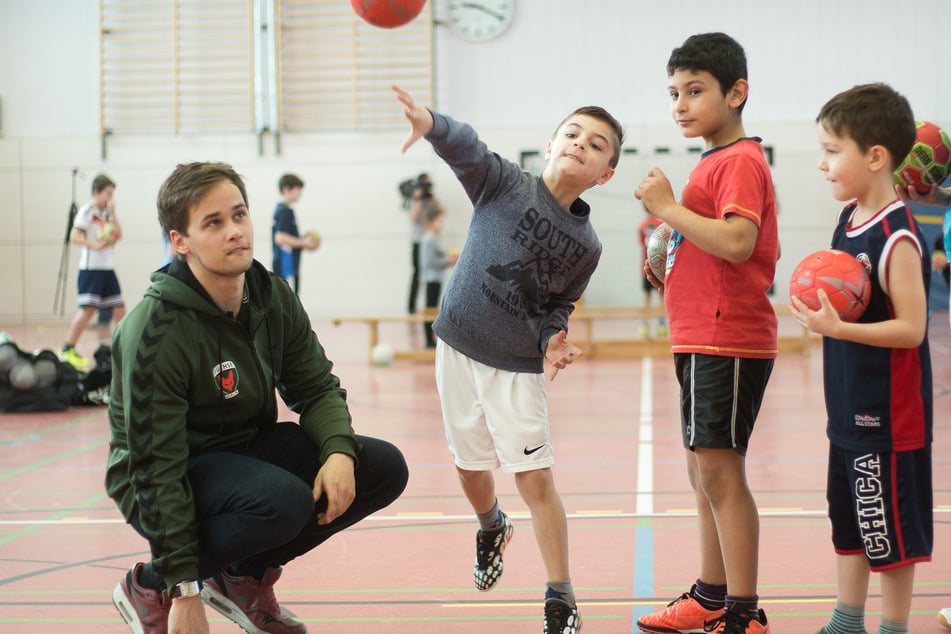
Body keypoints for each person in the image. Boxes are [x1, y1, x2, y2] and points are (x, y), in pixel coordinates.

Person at [106, 161, 409, 634]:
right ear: (179, 241)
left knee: (381, 467)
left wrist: (337, 450)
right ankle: (150, 585)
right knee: (283, 502)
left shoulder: (271, 296)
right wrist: (184, 588)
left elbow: (315, 386)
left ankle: (240, 577)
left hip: (242, 449)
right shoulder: (153, 331)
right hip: (162, 475)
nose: (234, 232)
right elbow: (156, 465)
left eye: (239, 215)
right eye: (214, 222)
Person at [393, 83, 623, 634]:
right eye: (571, 134)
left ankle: (560, 596)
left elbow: (558, 302)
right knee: (470, 467)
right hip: (456, 346)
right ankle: (491, 525)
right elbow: (466, 148)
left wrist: (554, 337)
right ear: (550, 144)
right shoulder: (503, 184)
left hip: (515, 369)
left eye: (595, 145)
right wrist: (431, 123)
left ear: (605, 174)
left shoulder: (587, 245)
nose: (579, 145)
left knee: (535, 479)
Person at [634, 33, 778, 634]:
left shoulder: (741, 160)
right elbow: (706, 241)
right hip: (697, 334)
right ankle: (710, 594)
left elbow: (739, 243)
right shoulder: (712, 161)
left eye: (695, 91)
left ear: (736, 92)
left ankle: (744, 610)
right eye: (674, 93)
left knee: (721, 472)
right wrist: (667, 248)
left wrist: (668, 210)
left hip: (728, 337)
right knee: (703, 470)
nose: (681, 104)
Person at [791, 83, 933, 634]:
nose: (822, 163)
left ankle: (893, 628)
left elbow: (912, 329)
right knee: (849, 520)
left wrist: (836, 327)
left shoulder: (898, 237)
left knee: (889, 531)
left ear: (875, 157)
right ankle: (846, 621)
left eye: (832, 150)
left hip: (889, 418)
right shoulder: (849, 219)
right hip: (847, 408)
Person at [61, 173, 125, 373]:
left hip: (107, 268)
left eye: (112, 194)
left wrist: (113, 214)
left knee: (119, 309)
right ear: (96, 192)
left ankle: (122, 350)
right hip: (90, 269)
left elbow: (118, 234)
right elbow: (74, 235)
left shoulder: (107, 213)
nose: (110, 198)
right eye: (107, 193)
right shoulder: (87, 211)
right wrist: (92, 246)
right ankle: (68, 348)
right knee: (88, 310)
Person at [272, 172, 320, 294]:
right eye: (297, 190)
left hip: (287, 266)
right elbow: (280, 238)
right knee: (290, 304)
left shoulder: (283, 210)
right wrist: (304, 243)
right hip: (286, 267)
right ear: (286, 189)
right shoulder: (284, 212)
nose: (300, 193)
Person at [419, 202, 458, 348]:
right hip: (431, 278)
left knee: (432, 307)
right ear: (431, 222)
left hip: (435, 277)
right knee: (429, 308)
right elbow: (431, 261)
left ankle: (430, 339)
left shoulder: (433, 239)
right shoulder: (429, 239)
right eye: (439, 221)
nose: (441, 224)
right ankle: (428, 340)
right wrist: (449, 260)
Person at [636, 205, 668, 339]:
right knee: (661, 298)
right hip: (659, 267)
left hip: (646, 266)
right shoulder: (661, 225)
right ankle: (662, 326)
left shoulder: (642, 226)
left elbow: (642, 244)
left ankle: (644, 326)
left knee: (646, 298)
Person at [406, 172, 434, 314]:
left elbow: (439, 213)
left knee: (431, 274)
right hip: (418, 242)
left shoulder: (431, 199)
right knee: (417, 274)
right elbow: (413, 218)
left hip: (428, 242)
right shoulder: (414, 199)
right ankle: (411, 307)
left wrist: (431, 200)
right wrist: (417, 199)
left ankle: (430, 307)